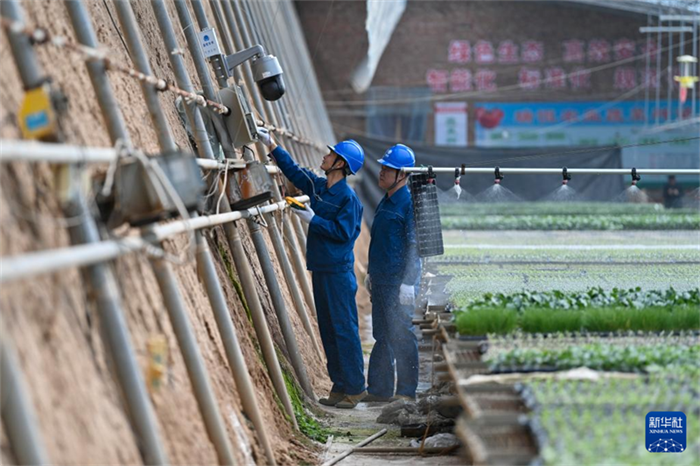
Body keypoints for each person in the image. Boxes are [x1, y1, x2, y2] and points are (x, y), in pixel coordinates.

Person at [257, 128, 367, 409]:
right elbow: (295, 173)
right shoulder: (320, 187)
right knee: (329, 329)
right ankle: (339, 386)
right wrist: (272, 145)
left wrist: (312, 219)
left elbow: (345, 233)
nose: (325, 155)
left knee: (344, 328)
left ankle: (355, 388)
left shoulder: (348, 199)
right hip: (321, 267)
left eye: (331, 154)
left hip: (338, 272)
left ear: (340, 164)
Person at [364, 144, 421, 403]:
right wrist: (371, 274)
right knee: (382, 335)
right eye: (383, 167)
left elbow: (414, 246)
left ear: (403, 174)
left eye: (389, 169)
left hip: (399, 283)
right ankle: (379, 390)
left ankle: (406, 393)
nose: (382, 172)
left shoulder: (408, 204)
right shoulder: (386, 201)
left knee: (402, 334)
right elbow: (380, 241)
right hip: (382, 281)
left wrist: (409, 282)